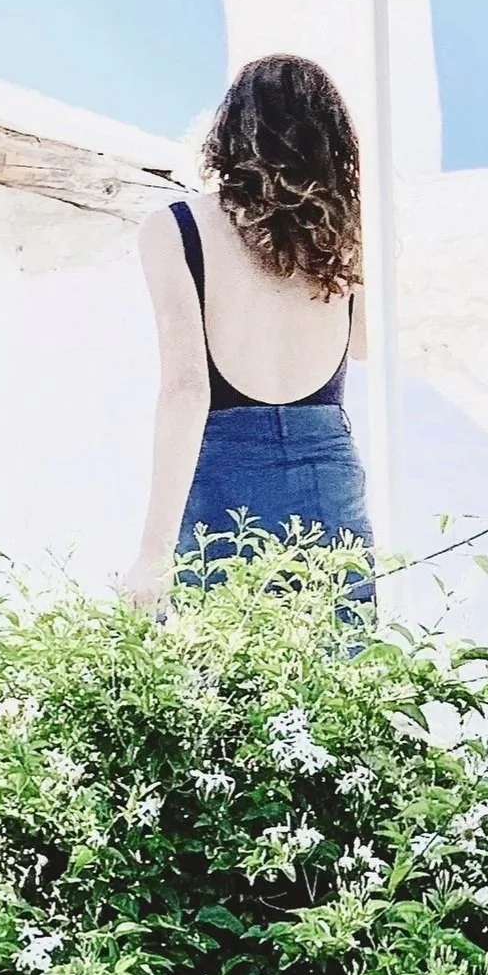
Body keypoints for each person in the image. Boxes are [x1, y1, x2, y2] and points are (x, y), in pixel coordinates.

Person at [124, 52, 369, 612]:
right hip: (327, 468)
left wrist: (152, 552)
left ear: (232, 129)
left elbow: (187, 391)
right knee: (339, 681)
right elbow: (364, 345)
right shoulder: (344, 235)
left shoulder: (176, 228)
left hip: (223, 472)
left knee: (222, 682)